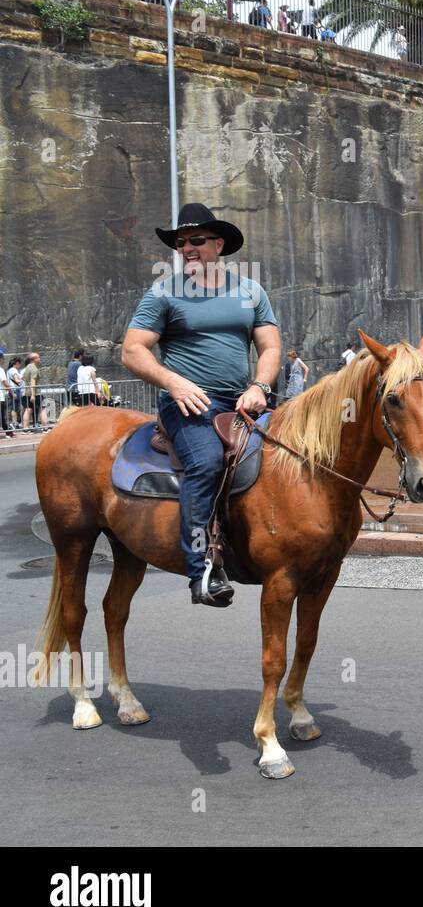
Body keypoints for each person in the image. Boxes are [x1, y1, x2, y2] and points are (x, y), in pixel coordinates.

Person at [122, 202, 281, 607]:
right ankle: (203, 569)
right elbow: (133, 351)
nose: (187, 248)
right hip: (189, 406)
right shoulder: (164, 292)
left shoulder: (250, 291)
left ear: (219, 244)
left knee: (291, 454)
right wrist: (174, 383)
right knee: (207, 462)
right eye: (180, 243)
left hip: (245, 403)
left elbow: (270, 347)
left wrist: (260, 384)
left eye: (196, 241)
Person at [21, 352, 41, 431]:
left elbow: (22, 377)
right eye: (38, 357)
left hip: (27, 392)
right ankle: (45, 427)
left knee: (28, 409)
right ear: (34, 359)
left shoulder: (27, 368)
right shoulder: (34, 368)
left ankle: (25, 428)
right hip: (35, 392)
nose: (39, 359)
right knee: (42, 408)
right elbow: (33, 381)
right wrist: (33, 394)